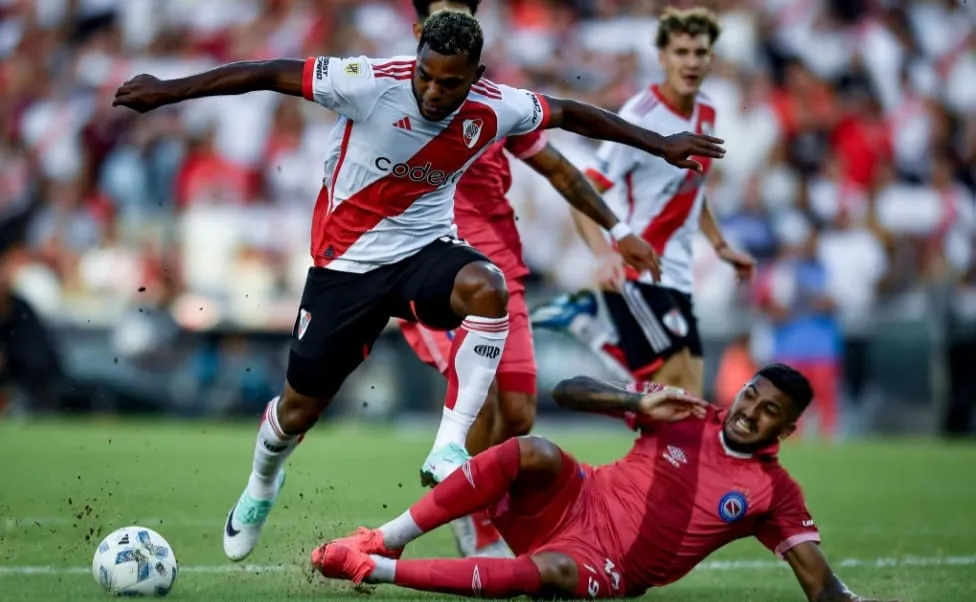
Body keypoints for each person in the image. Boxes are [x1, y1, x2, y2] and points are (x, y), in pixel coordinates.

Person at [112, 9, 725, 563]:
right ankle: (260, 484)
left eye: (449, 83)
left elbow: (569, 113)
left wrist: (659, 144)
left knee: (487, 286)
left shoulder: (497, 105)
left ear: (475, 76)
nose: (433, 92)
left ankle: (448, 447)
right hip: (346, 267)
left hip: (423, 252)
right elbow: (267, 72)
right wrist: (169, 91)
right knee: (298, 411)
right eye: (425, 76)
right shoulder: (368, 82)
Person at [400, 0, 653, 558]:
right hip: (433, 271)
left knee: (517, 414)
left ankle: (474, 502)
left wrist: (618, 229)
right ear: (419, 30)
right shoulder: (395, 95)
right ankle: (471, 519)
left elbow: (558, 167)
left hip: (500, 272)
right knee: (483, 401)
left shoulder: (500, 104)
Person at [311, 365, 891, 602]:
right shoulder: (684, 411)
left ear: (785, 430)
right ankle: (385, 538)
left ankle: (371, 570)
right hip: (578, 495)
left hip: (607, 563)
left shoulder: (775, 492)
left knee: (552, 574)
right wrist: (634, 400)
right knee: (532, 449)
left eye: (768, 412)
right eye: (750, 396)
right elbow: (565, 391)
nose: (749, 412)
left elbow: (822, 587)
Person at [531, 6, 755, 397]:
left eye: (699, 53)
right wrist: (605, 255)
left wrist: (720, 245)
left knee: (683, 396)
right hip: (640, 271)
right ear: (662, 58)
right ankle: (591, 327)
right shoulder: (642, 117)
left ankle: (590, 326)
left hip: (677, 272)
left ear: (711, 59)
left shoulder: (706, 111)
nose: (691, 62)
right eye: (681, 52)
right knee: (671, 396)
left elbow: (692, 189)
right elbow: (582, 190)